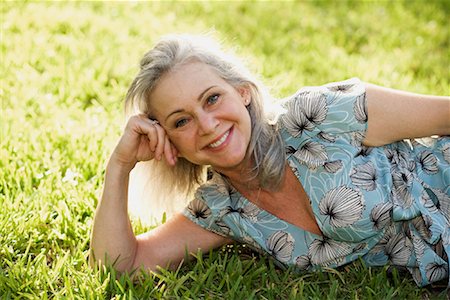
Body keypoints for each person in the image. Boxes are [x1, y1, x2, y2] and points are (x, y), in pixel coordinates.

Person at [90, 34, 450, 287]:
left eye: (212, 98)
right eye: (181, 121)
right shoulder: (223, 210)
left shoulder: (318, 113)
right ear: (170, 143)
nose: (207, 125)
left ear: (243, 92)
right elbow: (119, 268)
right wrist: (119, 166)